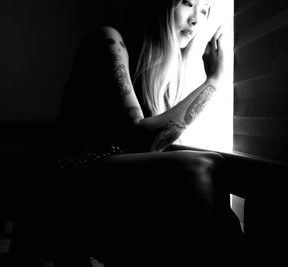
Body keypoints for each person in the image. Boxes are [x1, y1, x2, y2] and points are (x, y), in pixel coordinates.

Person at [50, 0, 244, 266]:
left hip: (115, 190)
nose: (196, 19)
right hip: (73, 182)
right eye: (188, 3)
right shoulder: (110, 39)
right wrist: (215, 80)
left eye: (204, 10)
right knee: (204, 167)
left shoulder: (162, 74)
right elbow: (139, 137)